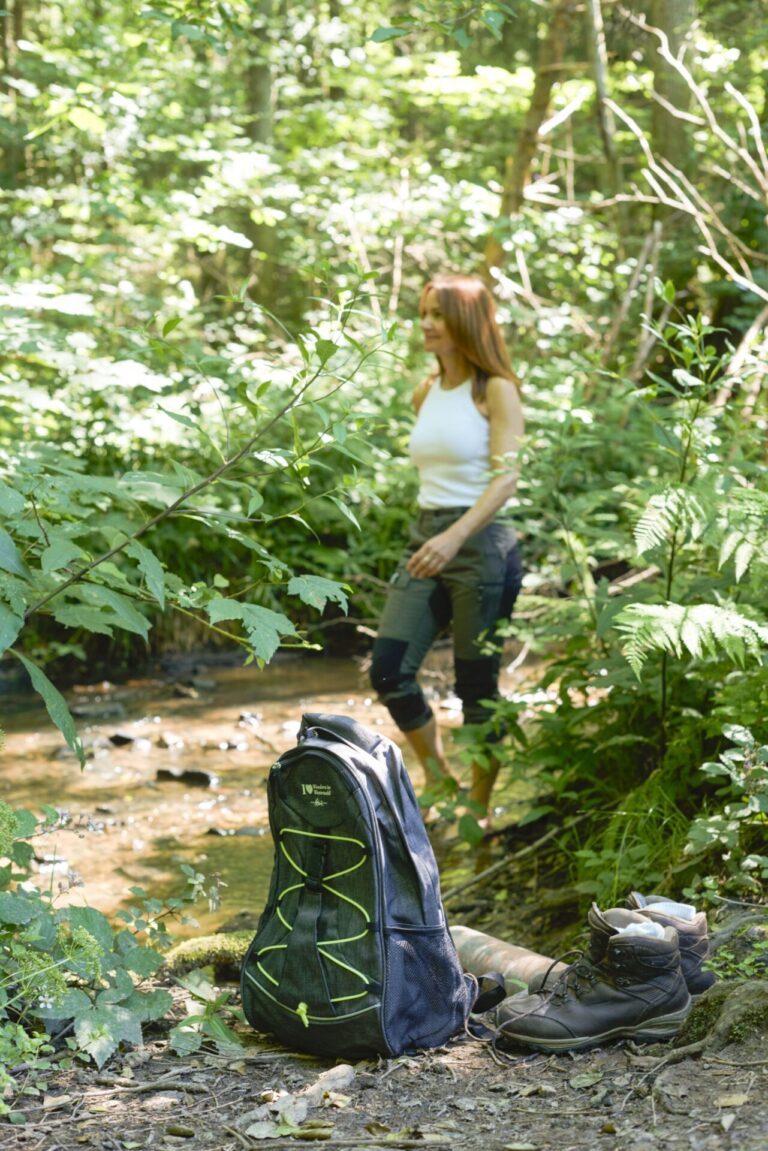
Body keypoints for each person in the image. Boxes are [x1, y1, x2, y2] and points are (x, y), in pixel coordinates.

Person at [369, 273, 524, 820]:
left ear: (468, 322)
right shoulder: (425, 390)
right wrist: (437, 535)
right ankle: (439, 780)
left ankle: (479, 810)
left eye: (439, 314)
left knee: (477, 687)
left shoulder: (496, 389)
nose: (428, 324)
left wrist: (455, 535)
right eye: (424, 313)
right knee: (388, 671)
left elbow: (507, 479)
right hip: (427, 533)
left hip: (481, 544)